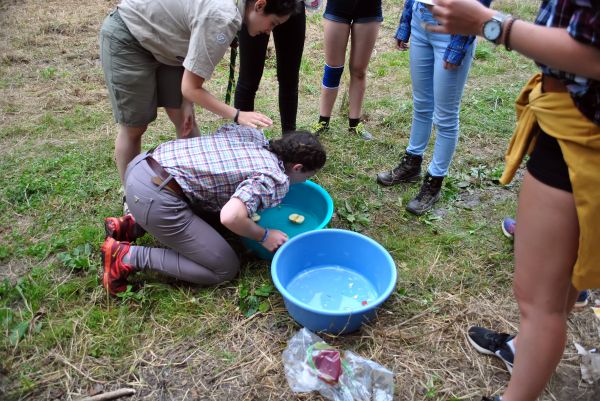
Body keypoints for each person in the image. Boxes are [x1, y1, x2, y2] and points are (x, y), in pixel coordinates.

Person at [425, 1, 600, 400]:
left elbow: (593, 54)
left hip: (580, 134)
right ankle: (522, 350)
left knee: (540, 304)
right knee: (562, 281)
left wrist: (493, 25)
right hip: (575, 124)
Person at [100, 125, 326, 295]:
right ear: (297, 168)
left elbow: (222, 138)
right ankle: (126, 256)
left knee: (211, 217)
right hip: (155, 196)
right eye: (307, 176)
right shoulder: (274, 177)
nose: (304, 180)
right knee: (224, 268)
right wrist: (264, 235)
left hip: (142, 167)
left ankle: (134, 224)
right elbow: (230, 217)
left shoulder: (254, 138)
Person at [99, 0, 302, 185]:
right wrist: (238, 114)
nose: (269, 32)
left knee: (186, 121)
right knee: (135, 127)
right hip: (130, 36)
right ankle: (133, 199)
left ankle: (195, 187)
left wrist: (187, 101)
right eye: (273, 23)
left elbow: (190, 77)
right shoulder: (223, 18)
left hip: (169, 43)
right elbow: (191, 87)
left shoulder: (233, 11)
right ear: (259, 5)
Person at [376, 0, 491, 215]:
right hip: (421, 20)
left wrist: (459, 44)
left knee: (445, 116)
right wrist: (406, 21)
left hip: (453, 29)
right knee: (421, 104)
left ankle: (434, 182)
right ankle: (412, 163)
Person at [312, 0, 383, 140]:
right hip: (338, 6)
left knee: (359, 71)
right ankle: (323, 122)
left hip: (369, 7)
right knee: (333, 69)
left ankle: (354, 125)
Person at [235, 1, 306, 133]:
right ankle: (242, 140)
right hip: (260, 7)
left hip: (291, 6)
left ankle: (289, 141)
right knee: (248, 80)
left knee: (289, 78)